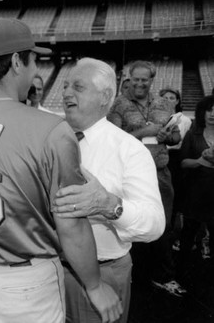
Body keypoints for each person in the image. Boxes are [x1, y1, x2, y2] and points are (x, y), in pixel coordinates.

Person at [0, 18, 122, 323]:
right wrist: (95, 285)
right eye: (34, 61)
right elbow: (70, 223)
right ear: (17, 62)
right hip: (25, 283)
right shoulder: (50, 129)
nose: (37, 70)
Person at [54, 57, 165, 323]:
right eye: (66, 86)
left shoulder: (129, 150)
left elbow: (154, 223)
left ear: (105, 97)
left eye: (78, 87)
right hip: (46, 271)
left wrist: (108, 205)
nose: (66, 92)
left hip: (102, 274)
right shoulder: (49, 137)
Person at [107, 60, 186, 297]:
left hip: (159, 172)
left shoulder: (163, 104)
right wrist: (144, 132)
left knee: (163, 225)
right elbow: (113, 141)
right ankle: (133, 275)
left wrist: (167, 135)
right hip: (129, 176)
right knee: (130, 223)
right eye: (136, 79)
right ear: (129, 79)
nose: (140, 83)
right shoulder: (118, 105)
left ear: (152, 80)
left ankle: (163, 276)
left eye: (145, 79)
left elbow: (175, 138)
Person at [177, 96, 214, 279]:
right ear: (202, 112)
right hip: (196, 192)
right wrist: (200, 160)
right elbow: (183, 162)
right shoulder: (193, 134)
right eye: (209, 109)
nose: (213, 114)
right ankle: (182, 274)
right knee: (189, 234)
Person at [159, 87, 192, 229]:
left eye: (172, 98)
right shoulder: (155, 116)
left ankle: (172, 225)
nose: (168, 101)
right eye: (165, 98)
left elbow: (182, 141)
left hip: (174, 157)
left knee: (173, 192)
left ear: (177, 101)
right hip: (158, 156)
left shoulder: (184, 120)